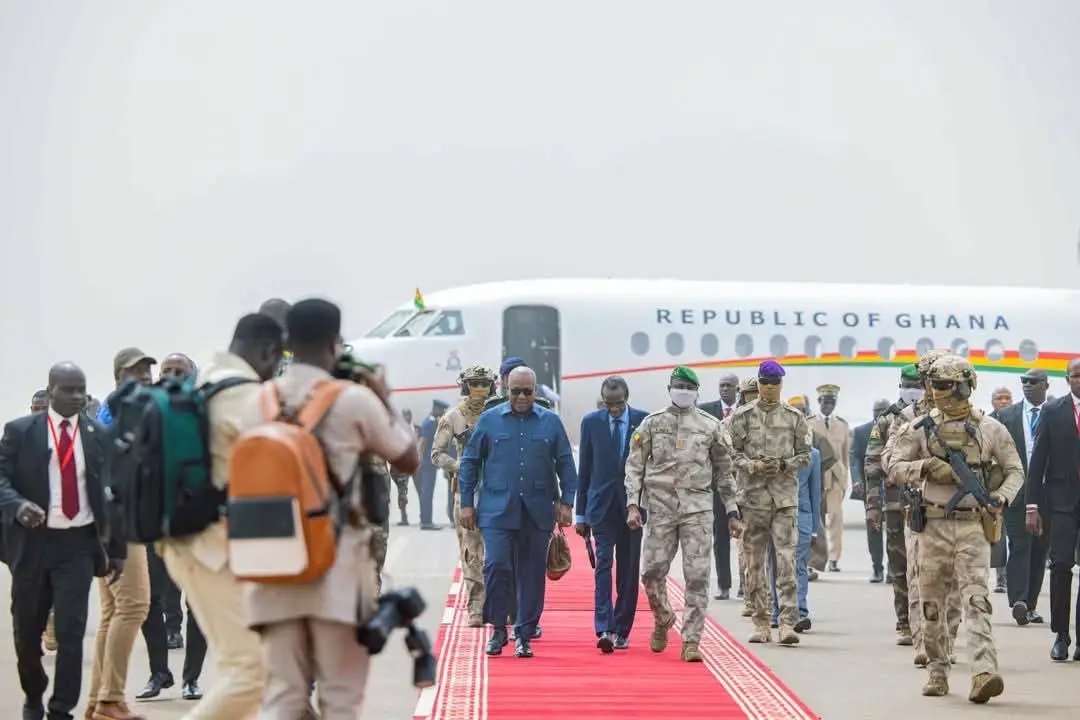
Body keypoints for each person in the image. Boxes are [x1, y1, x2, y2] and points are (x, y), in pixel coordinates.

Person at [244, 299, 420, 717]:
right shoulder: (353, 400)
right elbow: (408, 458)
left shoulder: (258, 402)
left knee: (283, 698)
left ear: (287, 342)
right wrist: (383, 396)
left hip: (272, 567)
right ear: (335, 343)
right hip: (336, 568)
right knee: (340, 697)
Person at [158, 315, 284, 720]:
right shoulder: (244, 395)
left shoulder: (209, 376)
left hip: (194, 543)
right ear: (267, 351)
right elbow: (286, 465)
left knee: (250, 665)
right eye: (278, 359)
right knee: (251, 673)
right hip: (207, 551)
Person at [887, 354, 1021, 703]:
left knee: (976, 600)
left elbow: (1015, 470)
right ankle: (937, 669)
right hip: (932, 527)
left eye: (945, 385)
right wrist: (926, 467)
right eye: (934, 385)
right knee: (931, 605)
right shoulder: (919, 428)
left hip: (973, 526)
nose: (937, 391)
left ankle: (983, 671)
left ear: (964, 386)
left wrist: (1001, 497)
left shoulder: (990, 428)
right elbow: (893, 464)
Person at [0, 362, 125, 720]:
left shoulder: (98, 435)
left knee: (71, 634)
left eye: (81, 389)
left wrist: (117, 550)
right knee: (27, 632)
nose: (77, 396)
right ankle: (33, 694)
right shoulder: (21, 431)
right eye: (69, 390)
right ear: (51, 390)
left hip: (77, 547)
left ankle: (60, 710)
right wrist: (17, 505)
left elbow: (113, 495)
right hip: (33, 545)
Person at [458, 366, 578, 659]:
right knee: (496, 566)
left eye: (527, 391)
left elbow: (566, 463)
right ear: (505, 390)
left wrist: (567, 502)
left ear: (535, 391)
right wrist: (466, 503)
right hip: (496, 511)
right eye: (515, 391)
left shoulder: (550, 422)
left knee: (532, 574)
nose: (522, 397)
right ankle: (499, 629)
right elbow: (470, 462)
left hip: (537, 512)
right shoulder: (489, 421)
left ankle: (524, 633)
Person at [625, 366, 742, 661]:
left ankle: (691, 640)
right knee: (651, 573)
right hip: (661, 510)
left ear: (697, 392)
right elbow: (635, 466)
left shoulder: (711, 426)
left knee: (698, 577)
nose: (684, 392)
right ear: (669, 389)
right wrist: (632, 504)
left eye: (689, 388)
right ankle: (663, 617)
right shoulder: (652, 424)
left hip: (697, 512)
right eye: (679, 387)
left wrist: (732, 510)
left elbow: (725, 472)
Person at [89, 348, 160, 720]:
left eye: (148, 370)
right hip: (119, 523)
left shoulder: (117, 411)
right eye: (136, 371)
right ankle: (110, 700)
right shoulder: (119, 415)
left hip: (111, 522)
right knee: (134, 606)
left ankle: (97, 701)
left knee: (112, 612)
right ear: (119, 377)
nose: (145, 376)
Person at [882, 350, 962, 667]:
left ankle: (948, 639)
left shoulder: (968, 416)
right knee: (918, 577)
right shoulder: (907, 417)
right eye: (932, 378)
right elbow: (889, 461)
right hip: (921, 507)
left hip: (959, 508)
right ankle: (923, 642)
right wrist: (924, 468)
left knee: (953, 582)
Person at [726, 360, 811, 645]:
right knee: (754, 565)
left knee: (786, 562)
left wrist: (784, 465)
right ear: (759, 383)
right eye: (765, 383)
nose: (770, 388)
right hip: (753, 501)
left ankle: (787, 623)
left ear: (781, 385)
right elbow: (730, 453)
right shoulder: (742, 417)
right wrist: (752, 465)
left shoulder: (794, 417)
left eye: (775, 384)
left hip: (784, 501)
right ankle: (761, 622)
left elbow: (805, 454)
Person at [576, 376, 646, 652]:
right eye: (609, 404)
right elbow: (585, 469)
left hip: (633, 507)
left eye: (618, 404)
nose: (614, 409)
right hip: (601, 506)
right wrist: (581, 515)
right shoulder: (591, 422)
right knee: (603, 564)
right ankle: (604, 627)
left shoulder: (643, 421)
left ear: (627, 398)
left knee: (628, 570)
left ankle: (622, 628)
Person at [431, 364, 497, 627]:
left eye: (484, 384)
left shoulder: (499, 413)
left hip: (497, 489)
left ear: (492, 386)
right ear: (466, 386)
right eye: (474, 384)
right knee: (471, 550)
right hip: (466, 491)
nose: (479, 389)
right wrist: (462, 466)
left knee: (500, 549)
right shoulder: (454, 417)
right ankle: (476, 607)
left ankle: (501, 603)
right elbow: (437, 454)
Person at [864, 364, 925, 644]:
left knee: (928, 563)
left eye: (917, 385)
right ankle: (905, 623)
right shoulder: (887, 419)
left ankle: (927, 622)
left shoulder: (933, 415)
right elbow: (873, 464)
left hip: (929, 500)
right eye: (908, 385)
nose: (913, 390)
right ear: (900, 385)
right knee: (899, 564)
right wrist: (872, 506)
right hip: (895, 503)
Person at [1024, 356, 1080, 662]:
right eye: (1076, 375)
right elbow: (1037, 462)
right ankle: (1061, 635)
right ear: (1067, 378)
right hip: (1061, 503)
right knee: (1060, 566)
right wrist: (1032, 506)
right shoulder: (1053, 410)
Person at [995, 368, 1049, 627]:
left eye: (1033, 382)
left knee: (1039, 549)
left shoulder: (1055, 412)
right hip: (1016, 493)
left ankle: (1031, 604)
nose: (1028, 385)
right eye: (1024, 381)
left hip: (1047, 493)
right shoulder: (1007, 416)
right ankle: (1019, 601)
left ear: (1046, 385)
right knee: (1019, 545)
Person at [768, 441, 820, 630]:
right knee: (776, 564)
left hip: (802, 516)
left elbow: (816, 493)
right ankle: (777, 611)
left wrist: (815, 528)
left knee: (799, 565)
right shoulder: (771, 450)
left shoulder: (813, 454)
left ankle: (800, 612)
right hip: (776, 515)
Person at [698, 373, 740, 599]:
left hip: (744, 484)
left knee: (748, 537)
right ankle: (724, 585)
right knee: (720, 537)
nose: (725, 389)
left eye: (729, 386)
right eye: (722, 385)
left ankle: (747, 584)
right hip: (718, 486)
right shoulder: (706, 411)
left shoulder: (747, 411)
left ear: (737, 389)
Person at [809, 384, 849, 572]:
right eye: (825, 402)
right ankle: (815, 559)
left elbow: (845, 455)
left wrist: (844, 479)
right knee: (815, 520)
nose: (828, 406)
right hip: (816, 476)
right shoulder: (809, 423)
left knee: (835, 518)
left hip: (835, 478)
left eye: (831, 402)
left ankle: (834, 558)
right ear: (819, 402)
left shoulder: (842, 425)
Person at [852, 399, 890, 583]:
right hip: (871, 489)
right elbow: (855, 458)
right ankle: (877, 568)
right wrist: (857, 480)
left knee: (895, 530)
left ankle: (894, 568)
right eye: (877, 410)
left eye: (884, 410)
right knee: (873, 528)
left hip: (893, 489)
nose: (880, 413)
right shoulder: (861, 432)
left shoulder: (898, 429)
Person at [730, 377, 758, 610]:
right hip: (743, 495)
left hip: (771, 495)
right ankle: (749, 595)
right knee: (746, 548)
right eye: (750, 394)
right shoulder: (731, 424)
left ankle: (764, 598)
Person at [417, 399, 449, 530]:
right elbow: (422, 444)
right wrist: (419, 461)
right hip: (427, 465)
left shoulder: (433, 422)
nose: (443, 412)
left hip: (430, 464)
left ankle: (426, 520)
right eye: (442, 410)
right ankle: (426, 521)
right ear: (436, 408)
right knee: (426, 492)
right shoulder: (428, 424)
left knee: (427, 492)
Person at [391, 408, 416, 526]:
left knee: (420, 490)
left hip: (412, 464)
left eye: (408, 415)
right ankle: (404, 516)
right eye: (405, 415)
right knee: (402, 492)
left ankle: (425, 516)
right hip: (400, 468)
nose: (407, 417)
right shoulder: (398, 431)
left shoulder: (415, 428)